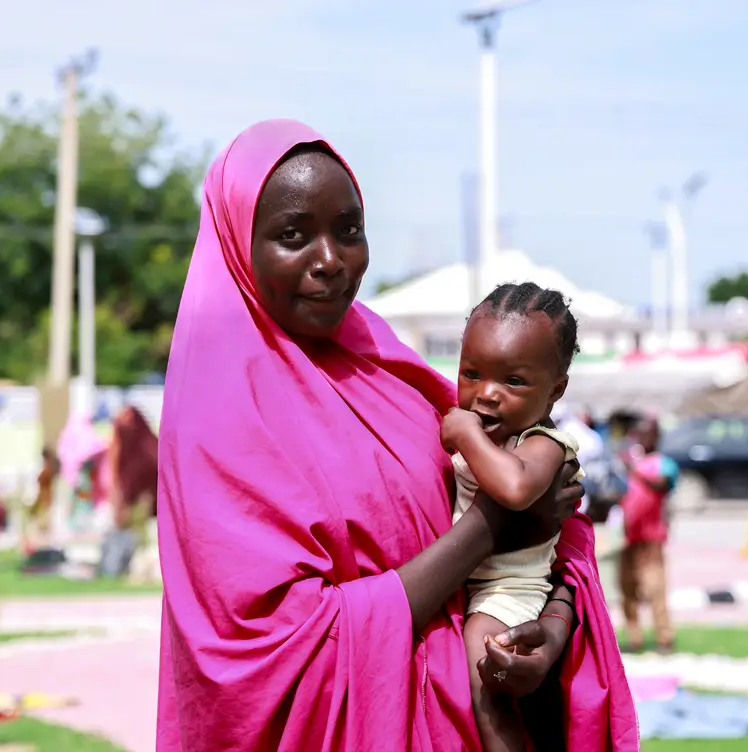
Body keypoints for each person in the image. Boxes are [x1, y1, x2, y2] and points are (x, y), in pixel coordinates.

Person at [156, 120, 637, 751]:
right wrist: (493, 523)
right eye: (292, 235)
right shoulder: (220, 417)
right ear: (236, 245)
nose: (330, 261)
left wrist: (550, 626)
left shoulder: (385, 368)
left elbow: (548, 526)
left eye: (349, 231)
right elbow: (277, 650)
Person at [440, 282, 581, 751]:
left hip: (508, 588)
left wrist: (465, 434)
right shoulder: (488, 434)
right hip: (468, 580)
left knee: (485, 667)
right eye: (472, 374)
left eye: (514, 381)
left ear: (555, 390)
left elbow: (516, 490)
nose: (487, 395)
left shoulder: (543, 443)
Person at [617, 417, 678, 653]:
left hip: (652, 536)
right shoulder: (631, 461)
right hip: (628, 534)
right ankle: (634, 637)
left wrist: (634, 470)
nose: (642, 438)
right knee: (627, 587)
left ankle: (665, 637)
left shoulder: (664, 463)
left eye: (648, 433)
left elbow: (661, 486)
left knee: (655, 587)